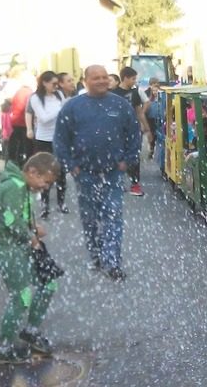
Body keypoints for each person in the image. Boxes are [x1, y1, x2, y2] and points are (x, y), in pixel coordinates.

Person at [53, 65, 140, 281]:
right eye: (96, 78)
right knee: (90, 218)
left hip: (112, 172)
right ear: (85, 81)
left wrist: (128, 160)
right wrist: (70, 165)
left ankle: (112, 262)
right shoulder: (72, 107)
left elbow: (133, 133)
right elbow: (60, 139)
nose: (101, 81)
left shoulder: (120, 105)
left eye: (104, 77)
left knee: (113, 216)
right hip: (85, 174)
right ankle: (96, 256)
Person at [0, 152, 59, 365]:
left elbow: (17, 216)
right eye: (45, 181)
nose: (45, 187)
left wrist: (32, 227)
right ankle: (2, 349)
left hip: (19, 248)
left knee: (48, 284)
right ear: (32, 172)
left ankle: (30, 331)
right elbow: (11, 221)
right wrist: (32, 237)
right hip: (8, 251)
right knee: (21, 296)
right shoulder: (13, 186)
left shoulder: (21, 185)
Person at [27, 72, 67, 218]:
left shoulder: (59, 95)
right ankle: (45, 205)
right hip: (44, 138)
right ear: (44, 83)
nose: (56, 87)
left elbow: (64, 114)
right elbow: (43, 119)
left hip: (59, 137)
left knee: (61, 171)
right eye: (53, 84)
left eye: (57, 84)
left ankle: (61, 202)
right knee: (45, 172)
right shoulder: (36, 98)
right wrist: (60, 109)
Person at [111, 67, 148, 197]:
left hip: (132, 130)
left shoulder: (135, 93)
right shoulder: (113, 93)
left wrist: (146, 127)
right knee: (117, 157)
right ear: (125, 78)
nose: (134, 81)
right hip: (117, 131)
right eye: (133, 79)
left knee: (134, 157)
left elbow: (139, 111)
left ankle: (135, 184)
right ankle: (117, 182)